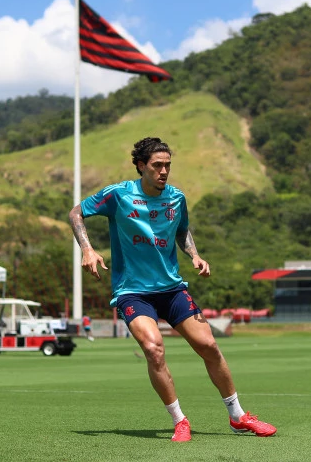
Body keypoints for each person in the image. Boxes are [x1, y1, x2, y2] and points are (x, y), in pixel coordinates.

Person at [68, 137, 276, 442]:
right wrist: (87, 249)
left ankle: (238, 416)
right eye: (157, 165)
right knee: (153, 349)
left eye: (167, 165)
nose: (164, 171)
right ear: (141, 166)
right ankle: (180, 420)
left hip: (172, 289)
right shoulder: (118, 194)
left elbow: (182, 230)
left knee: (209, 346)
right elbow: (76, 213)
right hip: (133, 291)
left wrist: (194, 255)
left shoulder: (177, 198)